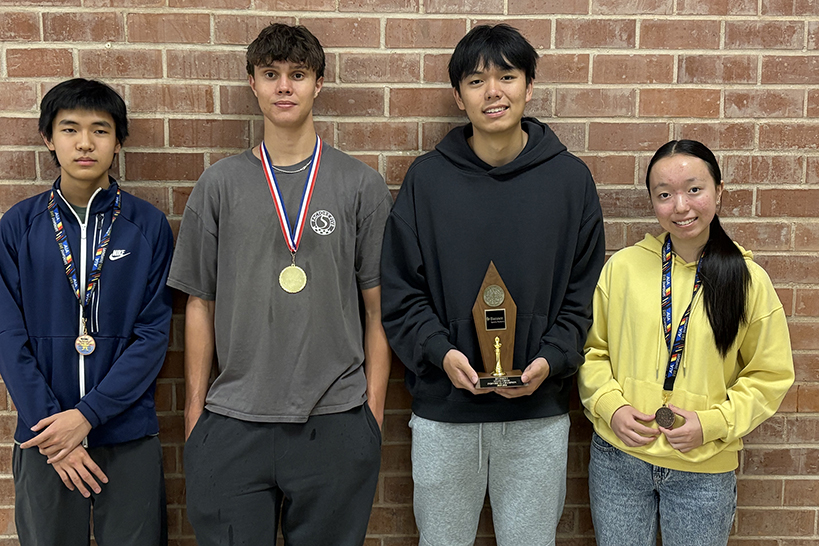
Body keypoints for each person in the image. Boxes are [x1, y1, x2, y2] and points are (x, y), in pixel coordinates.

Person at [380, 24, 606, 546]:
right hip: (444, 413)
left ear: (529, 86)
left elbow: (585, 294)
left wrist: (552, 357)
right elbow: (400, 291)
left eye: (507, 76)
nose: (493, 91)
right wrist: (439, 352)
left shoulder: (570, 182)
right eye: (477, 81)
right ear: (458, 96)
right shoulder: (426, 180)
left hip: (537, 414)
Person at [167, 23, 392, 546]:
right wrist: (196, 412)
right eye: (271, 75)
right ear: (253, 84)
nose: (284, 87)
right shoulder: (218, 184)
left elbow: (379, 309)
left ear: (319, 83)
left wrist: (371, 416)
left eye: (297, 74)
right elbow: (199, 303)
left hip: (336, 419)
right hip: (232, 420)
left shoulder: (361, 185)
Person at [578, 139, 795, 546]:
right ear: (652, 202)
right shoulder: (622, 268)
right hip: (620, 459)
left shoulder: (748, 280)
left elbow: (770, 375)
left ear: (719, 191)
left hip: (704, 468)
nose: (680, 206)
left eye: (694, 189)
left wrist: (713, 424)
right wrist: (612, 406)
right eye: (665, 195)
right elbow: (593, 352)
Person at [0, 78, 174, 545]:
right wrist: (55, 429)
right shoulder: (18, 226)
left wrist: (88, 416)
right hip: (44, 436)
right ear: (48, 139)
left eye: (100, 130)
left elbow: (153, 335)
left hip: (126, 432)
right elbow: (7, 336)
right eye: (69, 128)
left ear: (118, 142)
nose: (84, 142)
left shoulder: (148, 225)